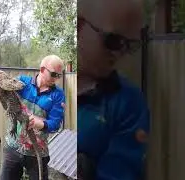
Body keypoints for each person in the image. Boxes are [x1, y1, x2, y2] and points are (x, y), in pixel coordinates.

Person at [77, 0, 150, 180]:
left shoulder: (128, 103)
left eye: (130, 45)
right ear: (78, 28)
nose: (120, 53)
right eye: (113, 41)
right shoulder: (53, 82)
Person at [0, 55, 66, 180]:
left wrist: (38, 123)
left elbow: (55, 124)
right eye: (53, 74)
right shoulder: (22, 82)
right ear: (42, 69)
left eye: (59, 75)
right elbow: (3, 88)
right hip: (12, 148)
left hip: (38, 153)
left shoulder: (58, 95)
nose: (56, 79)